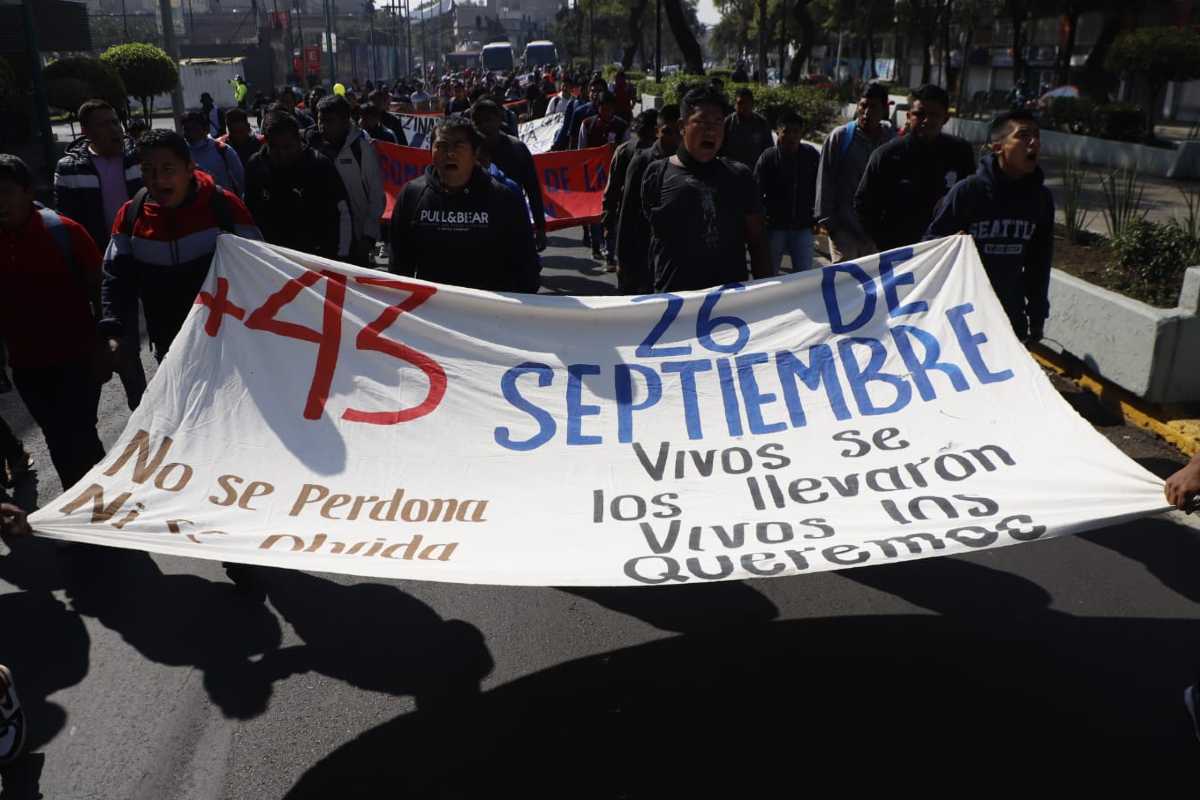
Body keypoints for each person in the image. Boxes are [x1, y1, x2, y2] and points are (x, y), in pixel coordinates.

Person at [101, 130, 262, 363]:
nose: (158, 180)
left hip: (227, 343)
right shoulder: (130, 216)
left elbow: (259, 268)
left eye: (168, 169)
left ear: (189, 168)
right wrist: (113, 330)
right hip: (169, 346)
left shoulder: (224, 206)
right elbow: (115, 278)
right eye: (148, 170)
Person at [0, 154, 107, 490]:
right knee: (58, 441)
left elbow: (102, 291)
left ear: (27, 191)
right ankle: (80, 519)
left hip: (77, 360)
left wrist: (107, 345)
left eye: (5, 192)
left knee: (81, 438)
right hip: (28, 366)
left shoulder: (65, 232)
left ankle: (106, 514)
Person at [53, 99, 150, 410]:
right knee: (123, 342)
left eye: (114, 122)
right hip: (107, 268)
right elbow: (67, 223)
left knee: (169, 333)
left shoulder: (140, 159)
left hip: (150, 257)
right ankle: (143, 407)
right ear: (86, 131)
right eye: (103, 124)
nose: (113, 129)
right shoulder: (70, 169)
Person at [924, 110, 1053, 341]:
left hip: (1007, 317)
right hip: (961, 317)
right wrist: (951, 243)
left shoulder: (1041, 199)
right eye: (1023, 135)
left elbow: (1039, 263)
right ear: (998, 147)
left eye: (1037, 135)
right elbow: (930, 246)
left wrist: (1037, 316)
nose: (1033, 142)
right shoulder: (967, 192)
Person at [388, 116, 539, 293]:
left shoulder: (503, 198)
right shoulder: (411, 195)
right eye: (441, 146)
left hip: (489, 313)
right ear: (431, 151)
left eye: (459, 146)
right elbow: (398, 268)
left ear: (475, 153)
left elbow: (526, 269)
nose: (450, 153)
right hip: (431, 312)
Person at [642, 86, 771, 292]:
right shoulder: (656, 174)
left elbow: (758, 243)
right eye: (701, 122)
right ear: (682, 126)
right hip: (673, 305)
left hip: (729, 307)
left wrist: (768, 296)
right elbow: (641, 239)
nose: (710, 130)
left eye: (717, 122)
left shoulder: (740, 176)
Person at [854, 83, 975, 253]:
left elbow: (971, 200)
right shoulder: (887, 155)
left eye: (934, 115)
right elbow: (864, 204)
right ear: (909, 116)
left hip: (945, 253)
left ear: (945, 118)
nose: (927, 120)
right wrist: (883, 244)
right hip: (899, 254)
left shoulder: (960, 152)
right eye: (920, 114)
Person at [245, 111, 352, 260]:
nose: (282, 154)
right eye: (275, 148)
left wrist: (341, 257)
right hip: (271, 259)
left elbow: (342, 212)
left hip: (315, 258)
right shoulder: (256, 166)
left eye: (288, 147)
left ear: (298, 141)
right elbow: (249, 214)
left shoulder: (319, 165)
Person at [816, 81, 896, 262]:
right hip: (844, 232)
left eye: (873, 107)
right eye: (863, 105)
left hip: (876, 235)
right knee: (844, 285)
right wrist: (830, 225)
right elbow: (825, 180)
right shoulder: (840, 137)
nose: (867, 112)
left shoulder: (891, 140)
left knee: (873, 287)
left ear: (884, 109)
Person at [305, 95, 386, 268]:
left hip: (371, 237)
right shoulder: (312, 149)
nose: (322, 127)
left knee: (382, 281)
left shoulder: (364, 148)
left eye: (329, 121)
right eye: (320, 120)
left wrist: (369, 236)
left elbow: (377, 196)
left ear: (344, 121)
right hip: (336, 241)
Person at [617, 104, 680, 295]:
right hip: (643, 249)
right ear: (657, 131)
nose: (672, 138)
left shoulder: (685, 163)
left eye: (677, 132)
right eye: (667, 132)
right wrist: (622, 260)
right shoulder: (642, 161)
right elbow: (627, 211)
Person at [471, 100, 548, 252]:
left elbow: (533, 190)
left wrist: (540, 227)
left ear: (499, 119)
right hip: (477, 228)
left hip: (513, 223)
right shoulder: (467, 152)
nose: (484, 126)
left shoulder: (517, 149)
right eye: (478, 122)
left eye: (488, 120)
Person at [754, 110, 820, 274]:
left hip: (803, 226)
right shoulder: (768, 157)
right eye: (787, 132)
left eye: (796, 132)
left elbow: (820, 187)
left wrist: (819, 216)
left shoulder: (811, 155)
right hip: (775, 228)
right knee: (769, 276)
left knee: (804, 276)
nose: (791, 137)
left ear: (801, 133)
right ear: (778, 132)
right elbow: (755, 192)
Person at [603, 109, 656, 271]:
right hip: (632, 215)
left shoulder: (624, 151)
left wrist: (608, 217)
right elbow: (612, 188)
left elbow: (611, 190)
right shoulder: (627, 152)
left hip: (631, 217)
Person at [579, 91, 629, 261]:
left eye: (610, 109)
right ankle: (595, 245)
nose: (607, 112)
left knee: (611, 213)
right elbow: (581, 152)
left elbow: (627, 150)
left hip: (615, 177)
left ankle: (609, 248)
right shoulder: (587, 124)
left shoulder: (622, 126)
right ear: (598, 108)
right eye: (604, 109)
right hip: (593, 178)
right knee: (595, 213)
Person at [182, 110, 246, 197]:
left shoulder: (223, 150)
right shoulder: (181, 153)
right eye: (186, 129)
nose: (190, 134)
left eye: (194, 129)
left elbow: (241, 179)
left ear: (206, 129)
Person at [721, 87, 772, 170]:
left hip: (755, 172)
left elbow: (768, 150)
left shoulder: (762, 123)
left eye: (747, 103)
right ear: (735, 105)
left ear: (752, 104)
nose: (744, 106)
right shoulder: (727, 123)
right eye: (740, 103)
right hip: (731, 171)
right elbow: (719, 150)